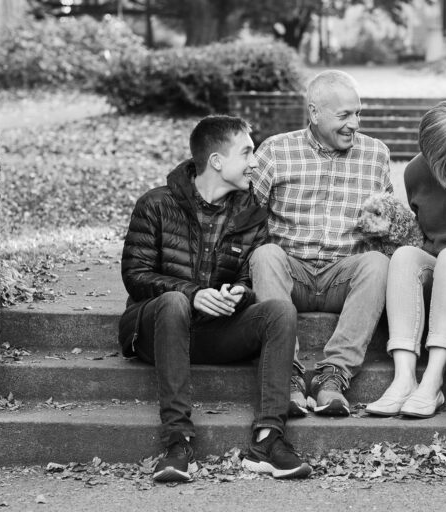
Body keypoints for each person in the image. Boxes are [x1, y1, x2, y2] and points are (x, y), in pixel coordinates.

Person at [118, 115, 312, 482]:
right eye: (247, 152)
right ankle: (177, 443)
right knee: (174, 302)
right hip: (155, 330)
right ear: (217, 161)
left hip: (214, 332)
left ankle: (268, 440)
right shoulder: (155, 204)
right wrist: (192, 294)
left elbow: (247, 280)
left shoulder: (251, 213)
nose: (255, 162)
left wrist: (238, 293)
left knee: (280, 311)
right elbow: (135, 275)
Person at [249, 70, 392, 417]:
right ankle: (287, 375)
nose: (354, 124)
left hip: (344, 274)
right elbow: (246, 217)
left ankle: (333, 376)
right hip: (291, 272)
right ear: (314, 113)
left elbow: (388, 222)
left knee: (378, 263)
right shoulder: (276, 151)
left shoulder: (375, 154)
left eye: (358, 113)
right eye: (344, 115)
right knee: (265, 254)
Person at [365, 100, 446, 418]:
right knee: (405, 256)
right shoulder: (416, 173)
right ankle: (404, 378)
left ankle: (432, 382)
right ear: (438, 159)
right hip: (443, 271)